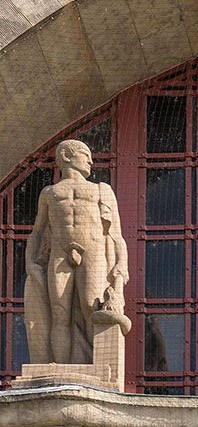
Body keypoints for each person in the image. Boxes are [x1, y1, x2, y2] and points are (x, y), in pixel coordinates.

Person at [24, 140, 128, 363]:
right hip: (60, 255)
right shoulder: (49, 193)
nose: (90, 160)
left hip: (93, 253)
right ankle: (60, 368)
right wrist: (30, 262)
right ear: (66, 156)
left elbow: (116, 236)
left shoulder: (101, 190)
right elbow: (37, 233)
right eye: (85, 154)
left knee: (93, 307)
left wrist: (121, 265)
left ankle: (97, 366)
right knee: (59, 313)